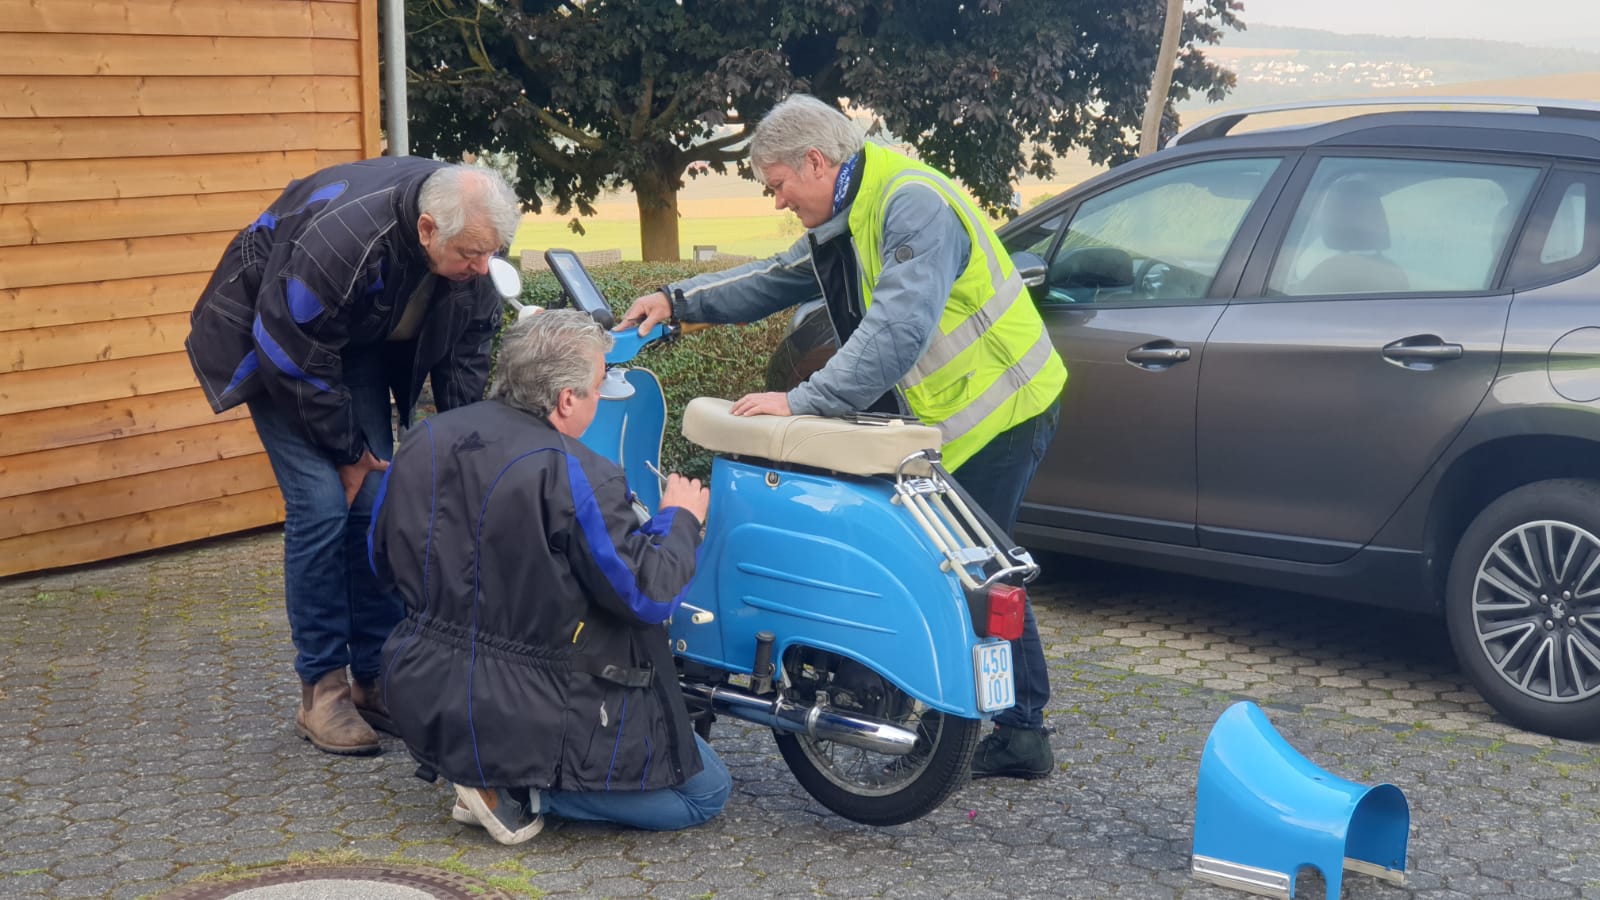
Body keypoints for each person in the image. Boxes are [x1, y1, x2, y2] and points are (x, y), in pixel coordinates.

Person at [620, 94, 1067, 781]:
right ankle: (1020, 726)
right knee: (980, 561)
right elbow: (774, 278)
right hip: (953, 416)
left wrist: (801, 404)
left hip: (1001, 409)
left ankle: (1016, 728)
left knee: (969, 571)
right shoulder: (853, 207)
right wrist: (678, 302)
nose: (776, 200)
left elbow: (895, 333)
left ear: (816, 161)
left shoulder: (909, 202)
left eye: (778, 185)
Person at [185, 158, 520, 756]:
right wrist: (349, 451)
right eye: (471, 253)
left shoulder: (475, 261)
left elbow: (464, 360)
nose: (481, 267)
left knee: (376, 499)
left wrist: (471, 453)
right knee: (320, 505)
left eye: (491, 253)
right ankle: (322, 691)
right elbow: (292, 356)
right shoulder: (341, 241)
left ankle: (375, 675)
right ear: (426, 230)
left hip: (350, 341)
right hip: (276, 349)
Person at [367, 309, 729, 845]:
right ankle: (516, 791)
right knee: (704, 791)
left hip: (423, 690)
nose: (601, 393)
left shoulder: (425, 439)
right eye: (599, 382)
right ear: (565, 399)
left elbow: (380, 560)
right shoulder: (579, 473)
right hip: (534, 709)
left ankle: (482, 769)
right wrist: (679, 519)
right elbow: (648, 596)